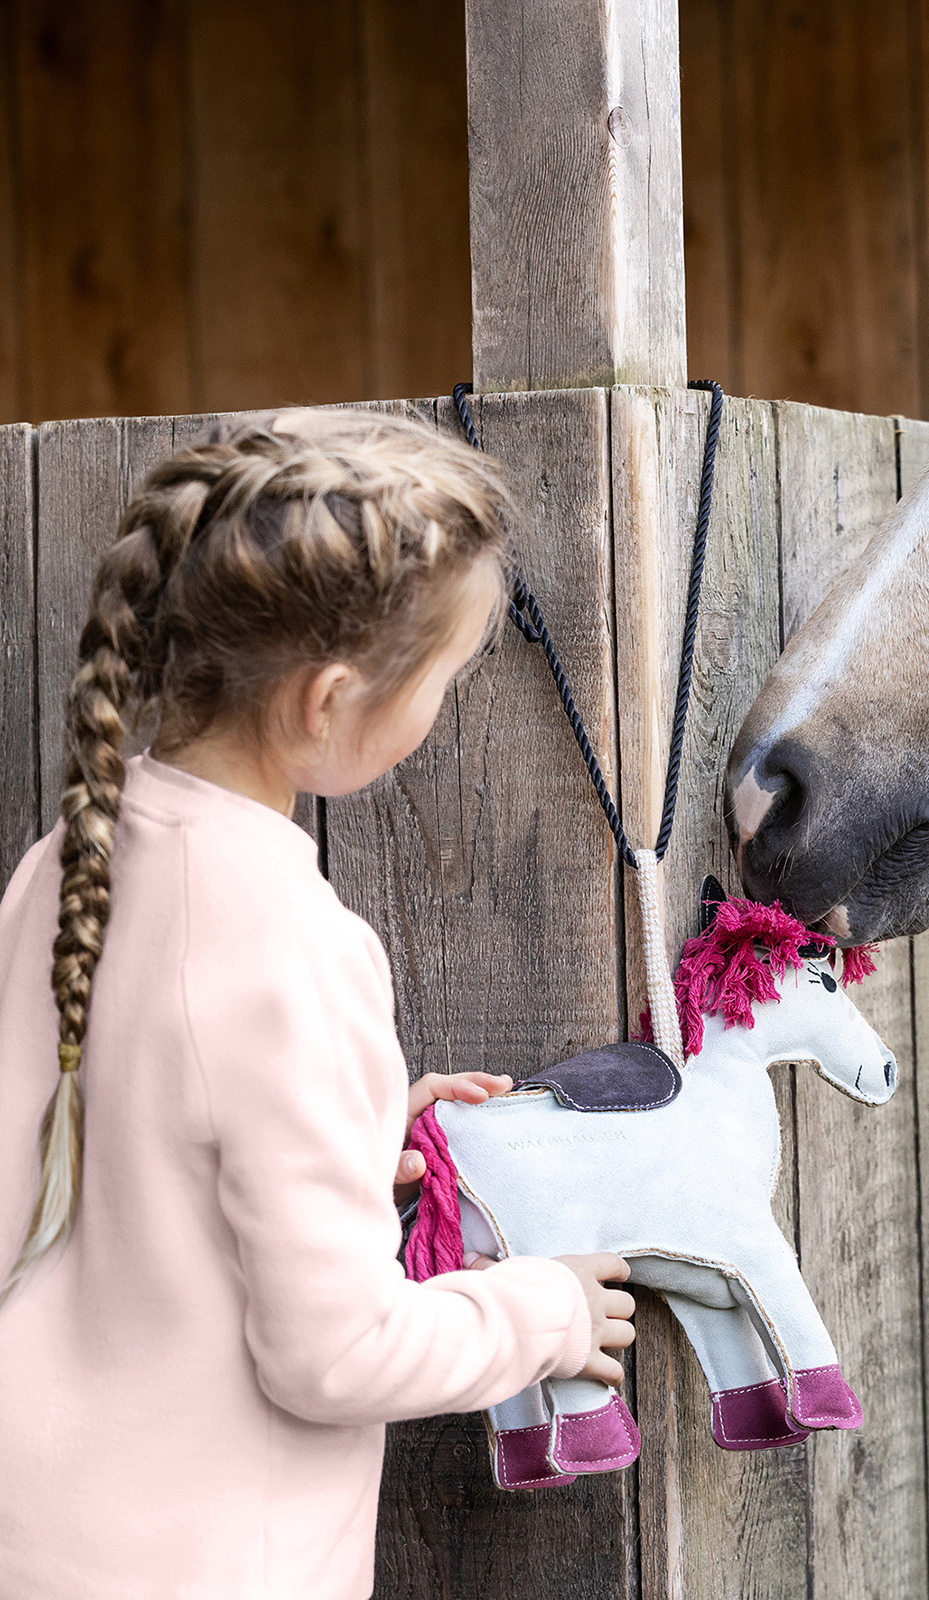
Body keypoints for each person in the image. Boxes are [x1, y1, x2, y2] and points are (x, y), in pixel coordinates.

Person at [0, 408, 635, 1599]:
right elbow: (336, 1354)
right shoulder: (298, 947)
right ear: (328, 700)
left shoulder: (63, 866)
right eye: (442, 679)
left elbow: (127, 1143)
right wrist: (541, 1310)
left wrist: (352, 1126)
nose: (438, 709)